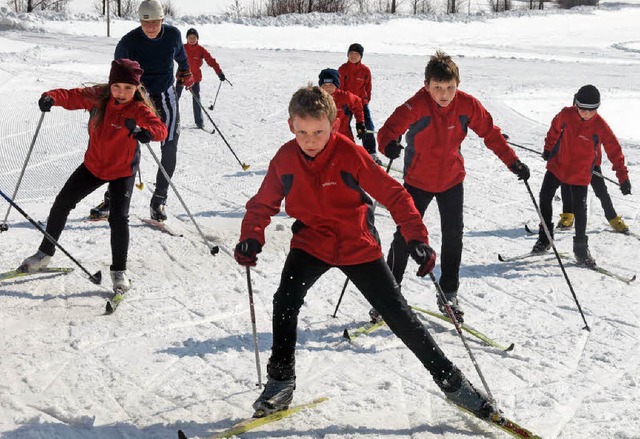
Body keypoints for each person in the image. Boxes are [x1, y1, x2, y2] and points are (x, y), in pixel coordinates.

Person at [233, 85, 499, 421]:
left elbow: (395, 195)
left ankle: (453, 382)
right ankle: (281, 381)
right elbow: (262, 204)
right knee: (284, 301)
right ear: (291, 126)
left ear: (334, 125)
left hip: (356, 243)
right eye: (302, 132)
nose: (310, 140)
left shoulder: (348, 154)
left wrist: (415, 235)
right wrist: (251, 237)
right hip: (311, 242)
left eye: (318, 132)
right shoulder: (285, 159)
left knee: (399, 315)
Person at [377, 51, 530, 323]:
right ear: (426, 86)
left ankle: (448, 293)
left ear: (457, 85)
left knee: (453, 237)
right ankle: (388, 294)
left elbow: (491, 134)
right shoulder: (416, 105)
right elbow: (389, 128)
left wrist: (513, 162)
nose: (444, 94)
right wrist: (388, 144)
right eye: (437, 88)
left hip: (451, 181)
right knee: (403, 237)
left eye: (450, 87)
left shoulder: (468, 105)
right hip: (417, 181)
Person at [19, 59, 167, 293]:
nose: (121, 93)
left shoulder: (137, 108)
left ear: (136, 89)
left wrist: (147, 133)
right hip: (93, 166)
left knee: (118, 218)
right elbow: (71, 96)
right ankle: (44, 254)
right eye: (117, 86)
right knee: (61, 204)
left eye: (128, 88)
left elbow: (159, 127)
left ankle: (119, 271)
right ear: (110, 84)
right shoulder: (98, 97)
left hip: (121, 171)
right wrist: (51, 97)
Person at [90, 0, 193, 222]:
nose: (151, 27)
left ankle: (159, 200)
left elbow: (181, 57)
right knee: (123, 146)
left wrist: (185, 71)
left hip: (166, 96)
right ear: (140, 22)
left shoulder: (173, 35)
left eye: (155, 22)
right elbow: (116, 73)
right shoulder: (129, 42)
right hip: (137, 98)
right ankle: (113, 199)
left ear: (162, 20)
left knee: (170, 144)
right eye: (146, 23)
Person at [532, 84, 631, 266]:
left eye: (591, 110)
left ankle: (580, 249)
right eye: (582, 109)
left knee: (580, 210)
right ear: (576, 104)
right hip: (558, 166)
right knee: (544, 197)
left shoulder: (600, 126)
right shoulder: (566, 114)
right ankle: (545, 238)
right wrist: (548, 148)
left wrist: (623, 178)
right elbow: (554, 129)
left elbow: (614, 151)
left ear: (597, 108)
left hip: (580, 173)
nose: (585, 113)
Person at [338, 43, 380, 164]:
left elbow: (368, 87)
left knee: (367, 126)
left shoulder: (365, 71)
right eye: (351, 54)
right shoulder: (343, 69)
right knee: (343, 127)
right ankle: (348, 151)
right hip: (346, 103)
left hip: (361, 103)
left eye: (356, 54)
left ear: (361, 56)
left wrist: (366, 100)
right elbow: (339, 88)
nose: (353, 56)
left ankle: (370, 152)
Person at [177, 27, 226, 129]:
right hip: (182, 75)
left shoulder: (200, 50)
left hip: (195, 78)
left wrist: (219, 72)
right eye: (190, 37)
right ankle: (172, 120)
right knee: (175, 98)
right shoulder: (182, 48)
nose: (192, 39)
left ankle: (199, 122)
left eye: (194, 37)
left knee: (196, 99)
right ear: (186, 38)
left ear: (197, 39)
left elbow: (211, 60)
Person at [557, 168, 629, 234]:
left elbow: (615, 154)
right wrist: (549, 153)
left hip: (592, 161)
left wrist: (623, 178)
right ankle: (568, 215)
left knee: (601, 190)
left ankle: (613, 218)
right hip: (571, 162)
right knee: (567, 185)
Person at [318, 68, 366, 142]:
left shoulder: (345, 97)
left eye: (331, 84)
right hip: (322, 138)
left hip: (344, 136)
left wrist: (360, 123)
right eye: (324, 85)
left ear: (337, 85)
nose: (327, 88)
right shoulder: (315, 98)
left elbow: (357, 103)